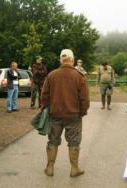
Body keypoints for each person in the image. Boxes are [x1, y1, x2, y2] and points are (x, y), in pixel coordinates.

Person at [41, 49, 89, 177]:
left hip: (55, 114)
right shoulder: (79, 76)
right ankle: (74, 169)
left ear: (60, 60)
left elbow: (44, 96)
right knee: (74, 142)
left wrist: (46, 109)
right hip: (74, 115)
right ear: (72, 60)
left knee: (53, 140)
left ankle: (50, 168)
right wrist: (82, 112)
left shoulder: (51, 75)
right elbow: (85, 98)